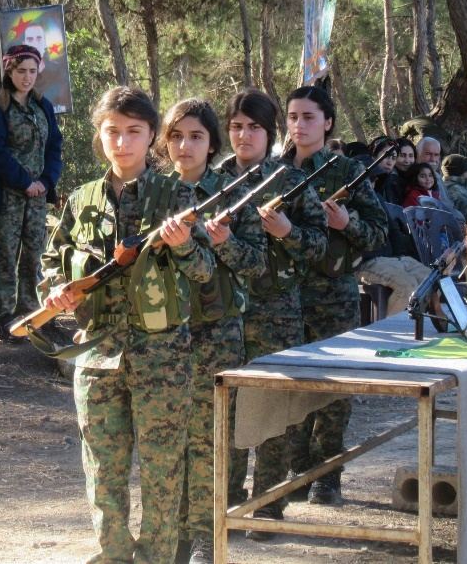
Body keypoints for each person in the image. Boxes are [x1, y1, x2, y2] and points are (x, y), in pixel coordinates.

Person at [40, 87, 214, 564]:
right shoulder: (81, 199)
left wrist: (182, 245)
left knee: (162, 471)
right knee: (103, 469)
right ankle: (114, 554)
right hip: (96, 354)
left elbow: (205, 272)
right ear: (99, 135)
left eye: (134, 131)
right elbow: (52, 261)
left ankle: (156, 557)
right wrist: (56, 290)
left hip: (162, 356)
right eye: (112, 131)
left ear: (151, 135)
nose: (122, 142)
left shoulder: (176, 196)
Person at [214, 89, 329, 538]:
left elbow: (319, 246)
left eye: (255, 127)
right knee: (226, 410)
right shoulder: (214, 179)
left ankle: (267, 504)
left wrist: (288, 232)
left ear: (270, 132)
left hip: (276, 311)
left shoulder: (290, 181)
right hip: (223, 314)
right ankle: (226, 502)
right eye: (237, 126)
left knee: (273, 413)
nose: (244, 135)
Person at [156, 99, 266, 564]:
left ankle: (203, 534)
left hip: (215, 330)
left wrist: (227, 243)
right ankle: (170, 533)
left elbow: (257, 264)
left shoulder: (233, 193)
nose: (185, 146)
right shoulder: (152, 192)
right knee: (166, 438)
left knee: (208, 437)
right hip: (160, 334)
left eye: (196, 136)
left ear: (212, 143)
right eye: (176, 136)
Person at [283, 85, 388, 506]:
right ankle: (296, 469)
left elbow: (379, 232)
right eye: (293, 117)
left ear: (328, 122)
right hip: (285, 296)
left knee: (332, 388)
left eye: (309, 117)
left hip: (333, 294)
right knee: (289, 386)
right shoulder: (275, 171)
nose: (299, 125)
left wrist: (347, 224)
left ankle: (327, 475)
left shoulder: (346, 172)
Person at [0, 44, 63, 343]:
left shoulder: (42, 106)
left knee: (33, 257)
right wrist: (24, 181)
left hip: (36, 198)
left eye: (32, 71)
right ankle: (4, 319)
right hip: (5, 197)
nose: (27, 77)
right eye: (21, 71)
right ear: (9, 71)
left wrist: (47, 181)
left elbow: (54, 146)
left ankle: (32, 315)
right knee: (3, 259)